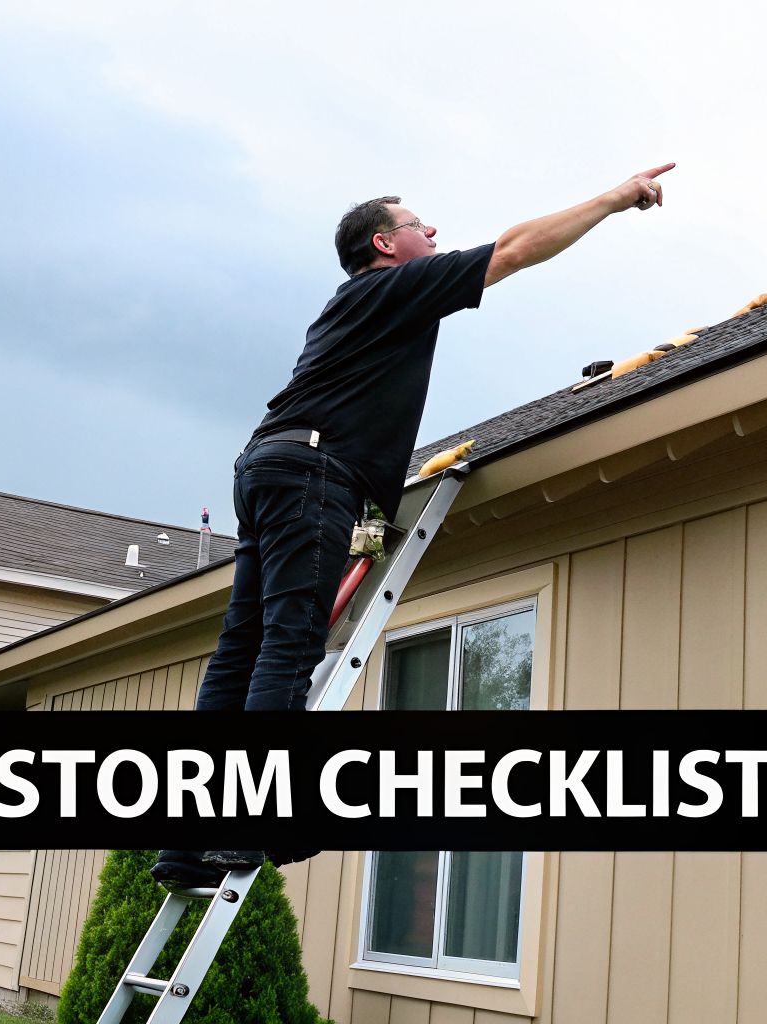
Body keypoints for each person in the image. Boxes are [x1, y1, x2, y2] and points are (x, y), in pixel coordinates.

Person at [153, 163, 675, 890]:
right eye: (418, 225)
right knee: (289, 642)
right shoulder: (390, 287)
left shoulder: (363, 305)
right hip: (311, 473)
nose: (433, 232)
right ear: (384, 243)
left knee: (240, 650)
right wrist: (615, 199)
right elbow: (517, 249)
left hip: (271, 467)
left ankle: (183, 845)